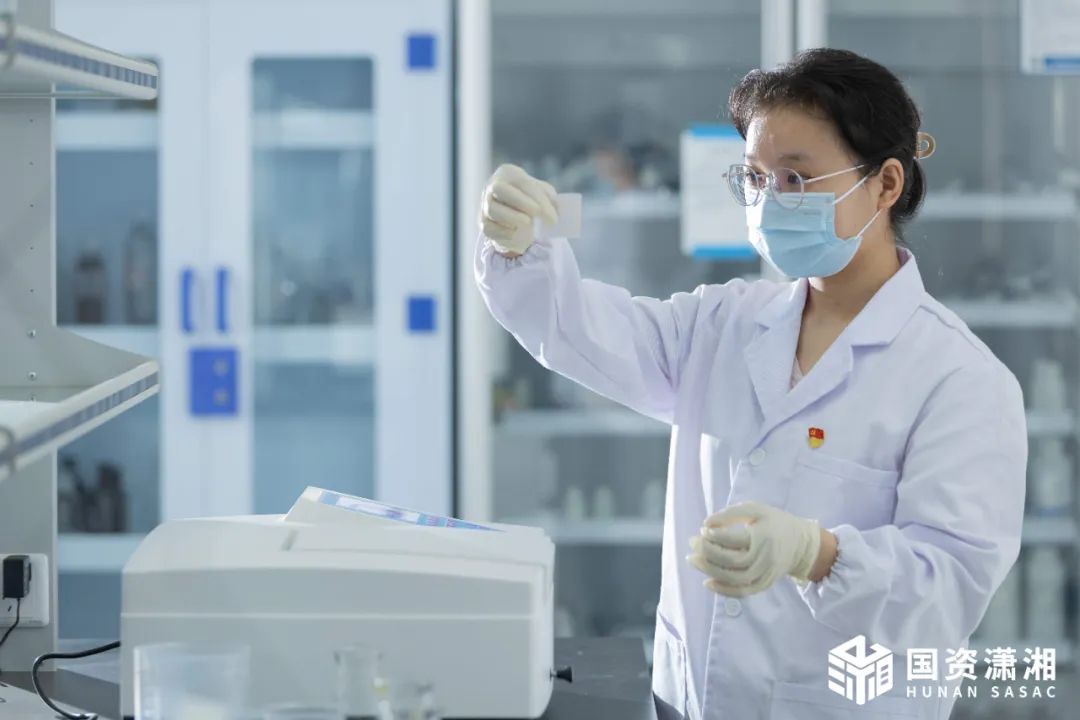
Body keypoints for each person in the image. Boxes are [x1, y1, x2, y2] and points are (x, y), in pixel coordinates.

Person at [474, 48, 1026, 720]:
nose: (769, 201)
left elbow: (951, 586)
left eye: (797, 177)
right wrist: (519, 247)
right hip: (690, 700)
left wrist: (816, 553)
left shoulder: (960, 379)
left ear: (885, 184)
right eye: (756, 178)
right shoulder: (725, 323)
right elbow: (580, 331)